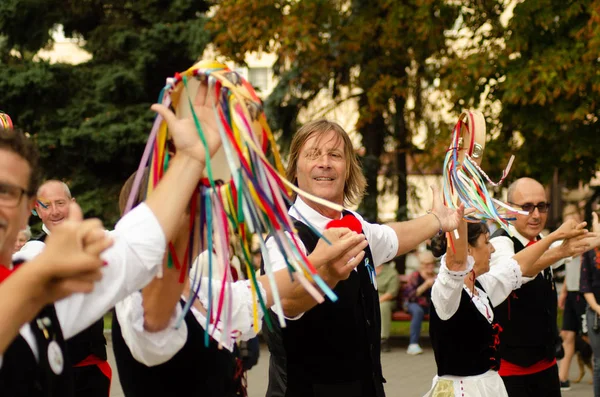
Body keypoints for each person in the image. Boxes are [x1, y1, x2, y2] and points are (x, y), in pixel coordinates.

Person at [0, 80, 226, 396]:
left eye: (6, 192)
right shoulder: (36, 275)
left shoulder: (35, 278)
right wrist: (36, 282)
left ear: (27, 209)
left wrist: (189, 159)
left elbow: (134, 247)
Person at [263, 119, 468, 397]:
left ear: (348, 169)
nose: (325, 163)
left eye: (335, 155)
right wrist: (329, 275)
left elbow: (394, 236)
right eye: (313, 154)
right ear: (295, 169)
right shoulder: (284, 235)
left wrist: (436, 220)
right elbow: (287, 301)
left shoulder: (355, 224)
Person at [426, 216, 586, 396]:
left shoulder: (482, 286)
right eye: (487, 242)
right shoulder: (447, 294)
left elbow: (517, 265)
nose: (492, 248)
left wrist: (554, 239)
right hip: (463, 391)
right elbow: (454, 265)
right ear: (468, 250)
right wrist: (456, 222)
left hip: (489, 387)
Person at [490, 177, 593, 396]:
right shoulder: (499, 243)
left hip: (545, 366)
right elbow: (518, 270)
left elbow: (570, 247)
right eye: (527, 207)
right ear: (508, 209)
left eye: (542, 206)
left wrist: (593, 237)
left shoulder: (541, 239)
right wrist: (559, 246)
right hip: (509, 372)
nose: (536, 214)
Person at [21, 180, 111, 397]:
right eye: (46, 205)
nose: (54, 211)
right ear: (36, 210)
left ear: (72, 204)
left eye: (60, 203)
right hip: (49, 372)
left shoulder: (99, 242)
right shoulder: (28, 254)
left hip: (91, 368)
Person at [558, 205, 588, 391]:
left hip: (584, 293)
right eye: (567, 220)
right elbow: (570, 269)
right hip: (571, 293)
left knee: (588, 336)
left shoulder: (585, 240)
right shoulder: (564, 242)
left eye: (574, 220)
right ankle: (562, 378)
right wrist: (563, 292)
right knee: (567, 335)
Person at [580, 212, 600, 396]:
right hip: (596, 312)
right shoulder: (589, 252)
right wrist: (597, 308)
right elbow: (585, 285)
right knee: (599, 362)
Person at [403, 250, 436, 355]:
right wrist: (425, 285)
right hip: (412, 303)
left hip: (429, 305)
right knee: (418, 311)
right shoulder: (415, 276)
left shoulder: (437, 276)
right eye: (427, 264)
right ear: (421, 265)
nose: (430, 266)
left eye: (432, 263)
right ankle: (413, 344)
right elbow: (409, 296)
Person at [375, 261, 399, 353]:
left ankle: (383, 339)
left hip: (386, 300)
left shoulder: (391, 272)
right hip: (368, 299)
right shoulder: (366, 268)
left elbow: (392, 293)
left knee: (383, 306)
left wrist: (376, 301)